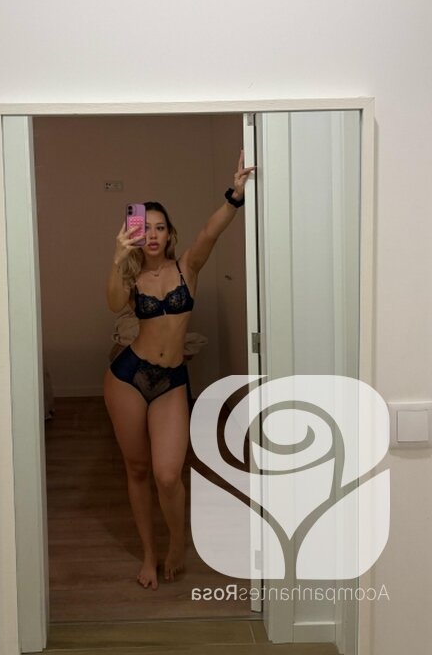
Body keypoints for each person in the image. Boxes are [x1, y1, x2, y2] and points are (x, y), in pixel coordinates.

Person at [103, 151, 256, 590]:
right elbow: (113, 304)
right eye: (144, 228)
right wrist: (117, 257)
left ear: (170, 234)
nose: (151, 234)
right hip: (127, 378)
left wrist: (235, 194)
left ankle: (177, 541)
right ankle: (149, 553)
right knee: (137, 469)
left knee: (168, 474)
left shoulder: (188, 267)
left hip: (171, 381)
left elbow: (211, 231)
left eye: (159, 227)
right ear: (134, 234)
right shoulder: (130, 275)